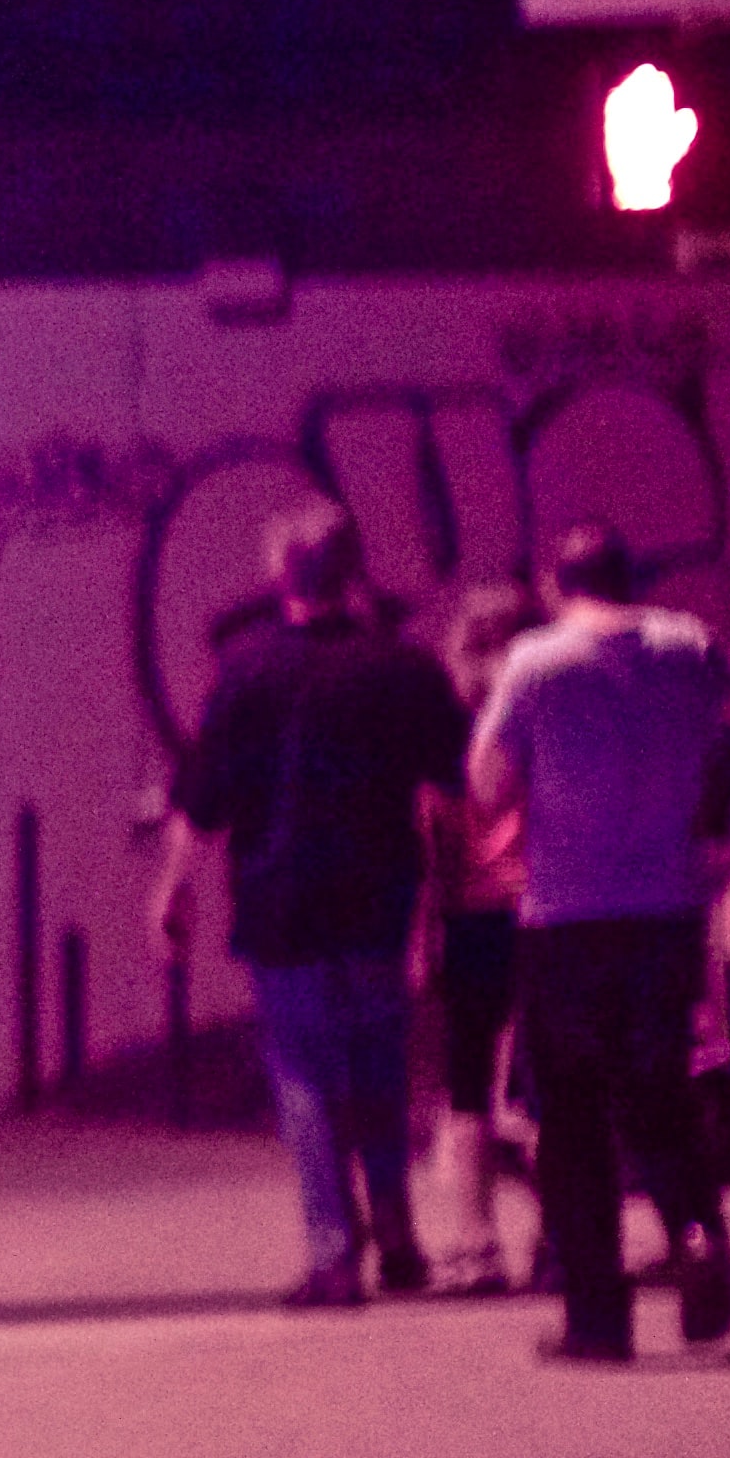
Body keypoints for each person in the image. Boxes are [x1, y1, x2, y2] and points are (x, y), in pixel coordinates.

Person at [159, 506, 467, 1304]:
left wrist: (171, 884)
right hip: (379, 897)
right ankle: (399, 1237)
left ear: (280, 573)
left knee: (304, 1077)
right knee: (379, 1072)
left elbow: (204, 797)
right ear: (353, 569)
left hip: (282, 901)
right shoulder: (402, 668)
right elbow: (454, 777)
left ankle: (335, 1253)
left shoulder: (248, 670)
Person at [469, 522, 730, 1361]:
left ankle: (597, 1313)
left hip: (569, 919)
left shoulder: (537, 663)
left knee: (575, 1117)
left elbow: (486, 782)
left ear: (558, 585)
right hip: (667, 908)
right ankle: (697, 1233)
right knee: (660, 1093)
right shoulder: (689, 645)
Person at [420, 584, 539, 1294]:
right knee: (552, 1081)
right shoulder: (544, 712)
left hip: (470, 913)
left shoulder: (449, 728)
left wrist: (421, 930)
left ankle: (477, 1244)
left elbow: (430, 833)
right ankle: (561, 1238)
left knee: (466, 1086)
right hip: (545, 906)